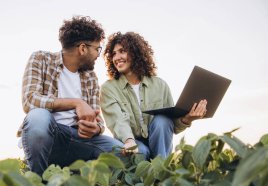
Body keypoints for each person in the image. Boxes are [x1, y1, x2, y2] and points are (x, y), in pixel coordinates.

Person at [17, 16, 123, 175]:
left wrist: (94, 128)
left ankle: (76, 174)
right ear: (82, 48)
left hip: (78, 140)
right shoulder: (41, 59)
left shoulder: (90, 77)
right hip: (50, 136)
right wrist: (76, 103)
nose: (97, 55)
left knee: (120, 152)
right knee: (38, 116)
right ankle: (37, 181)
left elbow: (97, 120)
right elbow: (30, 100)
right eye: (97, 49)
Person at [100, 32, 207, 160]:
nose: (117, 57)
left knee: (163, 120)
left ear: (136, 53)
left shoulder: (160, 85)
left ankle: (161, 171)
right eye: (113, 54)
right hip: (130, 142)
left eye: (122, 51)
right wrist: (129, 141)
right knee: (141, 152)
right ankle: (152, 172)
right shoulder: (109, 88)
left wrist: (188, 119)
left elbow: (171, 125)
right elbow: (118, 120)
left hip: (159, 144)